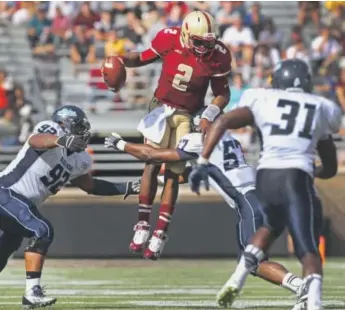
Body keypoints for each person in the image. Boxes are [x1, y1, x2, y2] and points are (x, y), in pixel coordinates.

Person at [104, 107, 307, 308]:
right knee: (251, 262)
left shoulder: (198, 141)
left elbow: (154, 156)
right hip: (257, 199)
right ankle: (301, 289)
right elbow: (184, 175)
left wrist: (122, 144)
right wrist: (153, 183)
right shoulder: (229, 139)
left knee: (254, 263)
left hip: (249, 203)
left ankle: (302, 288)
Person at [188, 59, 341, 310]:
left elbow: (223, 121)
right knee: (308, 249)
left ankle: (238, 277)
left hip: (266, 177)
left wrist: (203, 161)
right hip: (296, 175)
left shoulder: (262, 98)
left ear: (277, 81)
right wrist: (316, 172)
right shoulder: (322, 107)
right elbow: (331, 166)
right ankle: (314, 304)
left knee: (269, 227)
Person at [102, 11, 231, 260]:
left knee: (173, 173)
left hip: (187, 113)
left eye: (208, 42)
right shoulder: (169, 38)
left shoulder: (219, 55)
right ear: (185, 34)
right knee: (151, 164)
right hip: (160, 108)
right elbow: (141, 57)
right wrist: (120, 59)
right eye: (199, 42)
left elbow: (222, 93)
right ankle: (142, 223)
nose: (205, 47)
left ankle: (160, 232)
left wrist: (209, 115)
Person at [0, 105, 140, 308]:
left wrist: (127, 187)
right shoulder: (51, 129)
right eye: (80, 127)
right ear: (67, 124)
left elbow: (90, 186)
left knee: (6, 249)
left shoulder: (80, 159)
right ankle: (32, 293)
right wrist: (62, 141)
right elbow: (36, 140)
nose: (84, 132)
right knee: (42, 230)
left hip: (21, 204)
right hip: (6, 192)